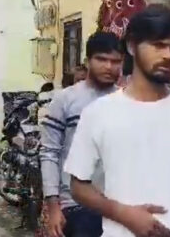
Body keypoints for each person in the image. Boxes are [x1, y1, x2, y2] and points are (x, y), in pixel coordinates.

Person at [65, 5, 170, 237]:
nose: (168, 55)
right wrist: (124, 214)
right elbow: (78, 186)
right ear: (132, 46)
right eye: (158, 45)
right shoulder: (98, 113)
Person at [40, 32, 123, 237]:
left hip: (117, 207)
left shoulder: (126, 102)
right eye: (101, 59)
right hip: (75, 206)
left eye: (115, 61)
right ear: (87, 62)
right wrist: (53, 206)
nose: (109, 67)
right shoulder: (66, 99)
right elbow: (49, 153)